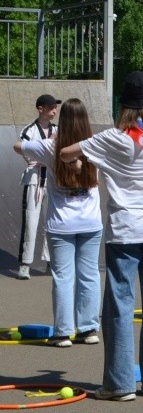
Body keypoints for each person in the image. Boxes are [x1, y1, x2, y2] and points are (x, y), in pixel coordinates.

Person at [60, 71, 143, 401]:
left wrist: (84, 163)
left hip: (124, 231)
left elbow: (66, 153)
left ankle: (119, 385)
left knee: (119, 308)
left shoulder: (112, 139)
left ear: (124, 106)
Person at [14, 98, 102, 348]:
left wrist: (36, 152)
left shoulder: (50, 146)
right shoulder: (96, 145)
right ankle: (88, 329)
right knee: (89, 275)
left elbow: (17, 146)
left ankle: (63, 332)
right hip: (90, 222)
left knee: (63, 277)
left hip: (61, 223)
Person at [16, 94, 59, 279]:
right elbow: (25, 151)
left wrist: (47, 157)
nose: (54, 111)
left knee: (53, 221)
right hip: (34, 179)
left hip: (53, 179)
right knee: (30, 220)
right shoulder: (29, 130)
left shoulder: (59, 129)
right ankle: (25, 264)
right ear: (40, 109)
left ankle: (51, 261)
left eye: (55, 107)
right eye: (50, 108)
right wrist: (45, 157)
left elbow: (60, 152)